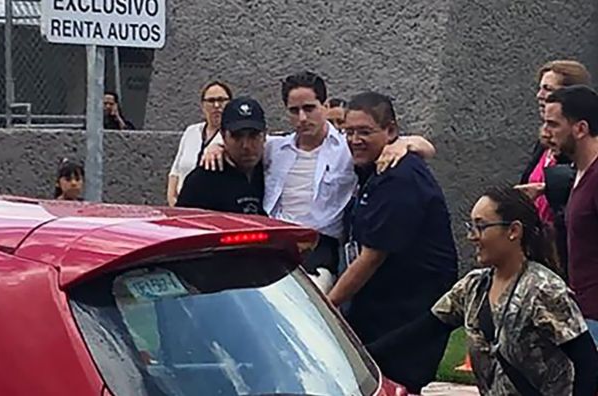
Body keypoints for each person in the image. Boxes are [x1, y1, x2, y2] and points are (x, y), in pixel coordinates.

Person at [202, 72, 437, 292]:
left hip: (320, 247)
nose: (302, 118)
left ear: (325, 106)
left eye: (309, 108)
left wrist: (401, 145)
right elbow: (243, 143)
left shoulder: (348, 148)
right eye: (294, 111)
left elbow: (424, 147)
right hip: (274, 242)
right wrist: (215, 147)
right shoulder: (274, 148)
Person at [367, 186, 598, 395]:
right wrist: (359, 357)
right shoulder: (473, 287)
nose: (472, 236)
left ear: (513, 231)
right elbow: (422, 331)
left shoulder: (543, 289)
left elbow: (587, 362)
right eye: (471, 227)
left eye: (481, 226)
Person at [327, 92, 457, 393]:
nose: (355, 139)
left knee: (387, 385)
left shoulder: (400, 177)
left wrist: (326, 307)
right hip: (380, 307)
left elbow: (372, 256)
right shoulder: (373, 169)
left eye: (365, 131)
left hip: (406, 314)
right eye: (349, 131)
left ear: (391, 131)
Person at [515, 60, 591, 275]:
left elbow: (580, 181)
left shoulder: (579, 146)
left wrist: (543, 187)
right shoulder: (543, 145)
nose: (540, 95)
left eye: (548, 89)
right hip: (537, 247)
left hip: (564, 251)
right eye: (539, 88)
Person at [542, 85, 598, 345]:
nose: (546, 132)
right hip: (583, 310)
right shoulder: (578, 174)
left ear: (580, 129)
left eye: (553, 124)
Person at [176, 97, 266, 215]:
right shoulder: (202, 181)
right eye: (237, 136)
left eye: (253, 136)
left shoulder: (273, 168)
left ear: (264, 135)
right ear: (223, 136)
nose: (246, 145)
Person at [167, 81, 233, 207]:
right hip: (182, 206)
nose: (217, 105)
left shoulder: (232, 136)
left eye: (221, 100)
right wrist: (172, 200)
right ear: (203, 105)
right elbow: (175, 171)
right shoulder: (191, 131)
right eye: (211, 101)